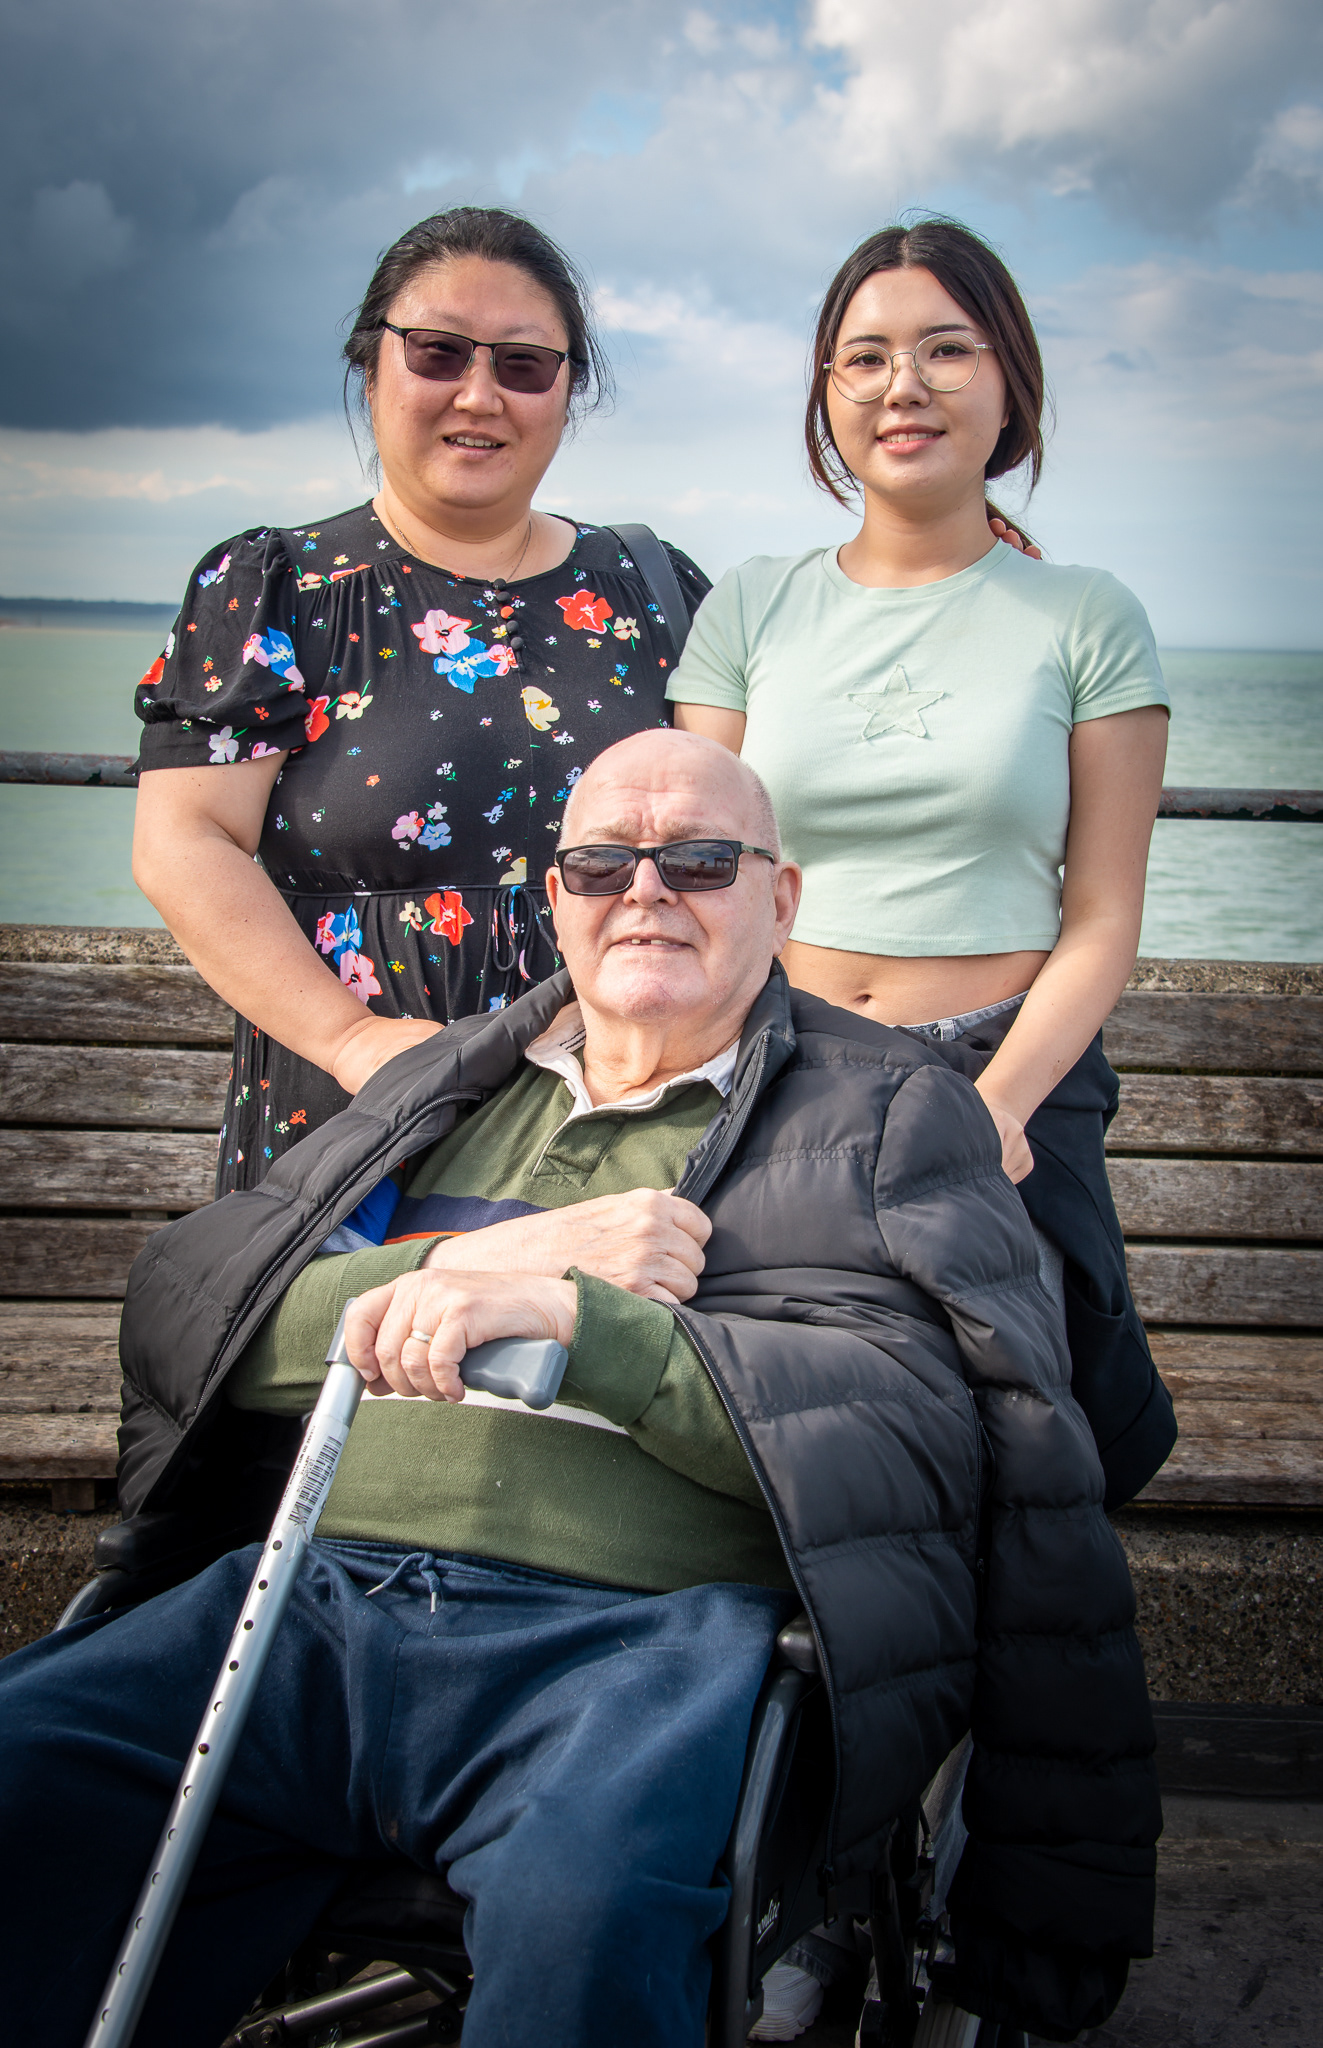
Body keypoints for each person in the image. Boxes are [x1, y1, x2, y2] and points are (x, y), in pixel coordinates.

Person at [1, 732, 1157, 2048]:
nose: (645, 890)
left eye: (699, 860)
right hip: (307, 1611)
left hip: (628, 1647)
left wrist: (584, 1326)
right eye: (601, 860)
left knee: (583, 1910)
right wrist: (470, 1261)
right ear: (553, 896)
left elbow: (910, 1427)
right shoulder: (444, 1088)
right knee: (23, 1774)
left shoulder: (889, 1113)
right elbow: (190, 1312)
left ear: (779, 900)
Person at [668, 217, 1175, 1513]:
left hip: (1009, 1079)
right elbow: (690, 884)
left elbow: (1102, 915)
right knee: (786, 1439)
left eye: (945, 350)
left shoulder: (1086, 617)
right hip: (792, 1073)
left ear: (1007, 381)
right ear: (824, 397)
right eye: (865, 357)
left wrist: (993, 1107)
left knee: (1046, 1435)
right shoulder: (751, 605)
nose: (903, 386)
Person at [130, 206, 709, 1195]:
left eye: (524, 365)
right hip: (354, 1114)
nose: (478, 395)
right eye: (438, 353)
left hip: (618, 1122)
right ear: (372, 366)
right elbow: (182, 843)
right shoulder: (275, 587)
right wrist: (351, 1037)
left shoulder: (656, 591)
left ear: (568, 392)